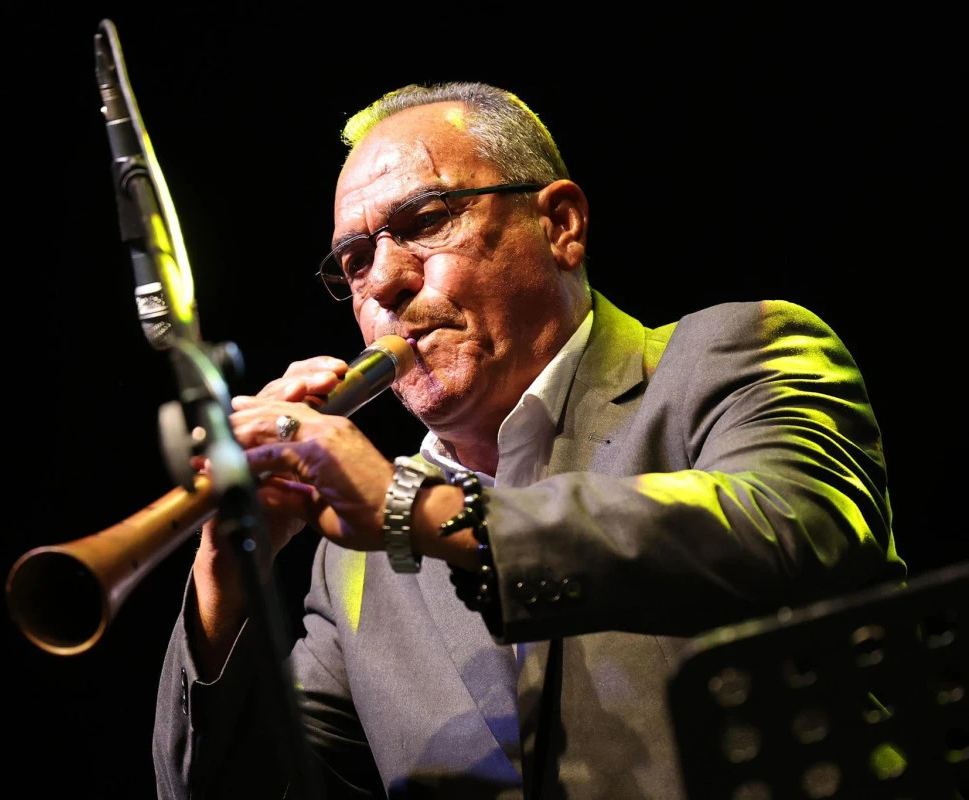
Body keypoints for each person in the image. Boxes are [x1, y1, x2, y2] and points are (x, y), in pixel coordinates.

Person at [151, 82, 904, 800]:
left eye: (425, 220)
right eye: (355, 261)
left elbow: (791, 531)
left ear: (560, 225)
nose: (383, 282)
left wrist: (413, 508)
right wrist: (228, 563)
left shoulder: (732, 355)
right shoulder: (352, 564)